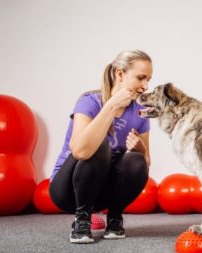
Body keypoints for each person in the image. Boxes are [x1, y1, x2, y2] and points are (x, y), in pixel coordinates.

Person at [49, 50, 153, 244]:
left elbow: (146, 164)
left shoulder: (140, 112)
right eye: (140, 78)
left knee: (136, 160)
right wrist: (111, 106)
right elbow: (80, 150)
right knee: (99, 145)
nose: (145, 86)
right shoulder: (90, 101)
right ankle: (81, 220)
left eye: (148, 79)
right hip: (67, 190)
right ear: (120, 74)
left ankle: (114, 218)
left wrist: (141, 150)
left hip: (102, 193)